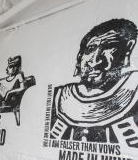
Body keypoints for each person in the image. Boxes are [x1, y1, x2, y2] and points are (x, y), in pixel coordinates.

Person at [50, 18, 138, 147]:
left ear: (128, 48)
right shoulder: (60, 95)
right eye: (90, 48)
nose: (95, 60)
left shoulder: (133, 88)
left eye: (109, 47)